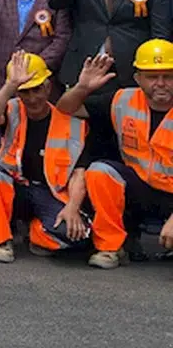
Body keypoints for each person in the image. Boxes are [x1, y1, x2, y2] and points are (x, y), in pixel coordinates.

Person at [47, 0, 170, 158]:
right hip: (87, 77)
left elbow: (161, 30)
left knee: (134, 147)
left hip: (134, 77)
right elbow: (57, 3)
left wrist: (157, 74)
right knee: (88, 149)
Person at [60, 45, 173, 269]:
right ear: (138, 78)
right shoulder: (122, 99)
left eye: (168, 76)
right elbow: (66, 109)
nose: (161, 83)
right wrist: (82, 88)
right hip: (141, 189)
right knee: (100, 171)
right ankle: (110, 247)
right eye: (152, 77)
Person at [0, 52, 90, 263]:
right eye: (24, 92)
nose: (32, 98)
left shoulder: (71, 124)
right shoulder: (11, 109)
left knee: (77, 237)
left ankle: (35, 232)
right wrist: (11, 85)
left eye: (36, 89)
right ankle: (0, 241)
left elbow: (79, 173)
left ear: (48, 87)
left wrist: (73, 208)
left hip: (49, 194)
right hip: (15, 188)